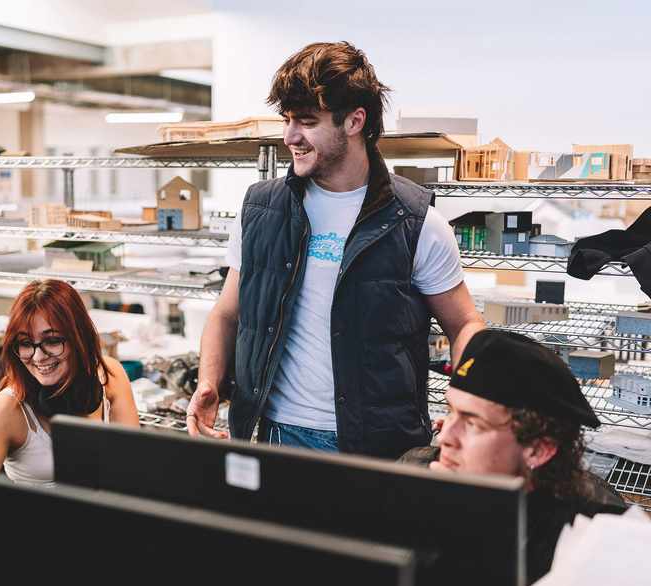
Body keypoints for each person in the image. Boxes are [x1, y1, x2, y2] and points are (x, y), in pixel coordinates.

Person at [186, 41, 484, 458]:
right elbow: (226, 313)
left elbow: (465, 324)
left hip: (377, 446)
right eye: (288, 120)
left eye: (307, 122)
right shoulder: (260, 210)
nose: (290, 136)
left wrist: (467, 403)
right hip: (276, 437)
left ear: (354, 121)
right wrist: (208, 382)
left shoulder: (417, 223)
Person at [400, 329, 627, 586]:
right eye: (450, 412)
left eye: (474, 423)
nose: (444, 438)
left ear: (538, 449)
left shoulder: (594, 538)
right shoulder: (415, 474)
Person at [0, 279, 139, 486]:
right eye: (26, 344)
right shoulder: (4, 411)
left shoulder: (110, 375)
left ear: (79, 338)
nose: (38, 358)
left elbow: (132, 466)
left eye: (52, 341)